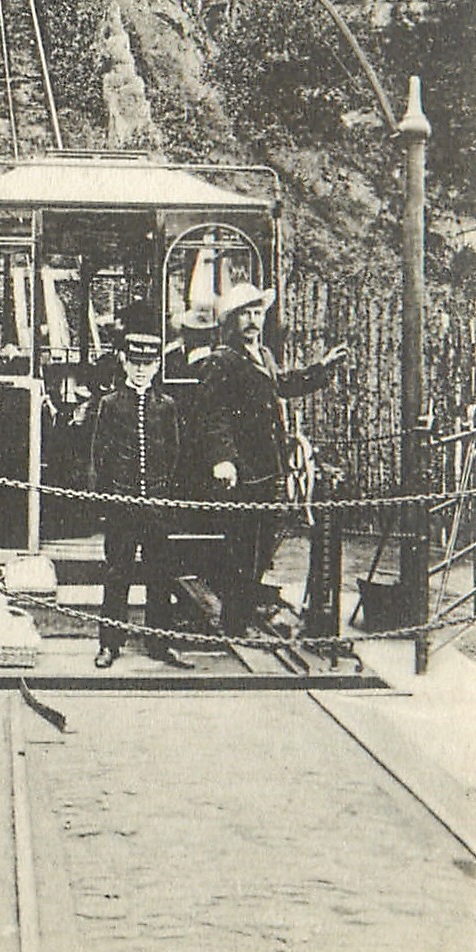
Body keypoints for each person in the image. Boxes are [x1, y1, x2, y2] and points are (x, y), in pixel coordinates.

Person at [193, 282, 349, 634]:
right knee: (241, 548)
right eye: (245, 314)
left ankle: (243, 615)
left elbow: (283, 384)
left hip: (267, 468)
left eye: (257, 312)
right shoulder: (221, 361)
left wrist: (321, 368)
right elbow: (211, 417)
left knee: (261, 547)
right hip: (239, 472)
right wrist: (223, 460)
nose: (252, 320)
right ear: (231, 320)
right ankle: (234, 624)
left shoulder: (262, 355)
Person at [90, 310, 192, 669]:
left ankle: (159, 643)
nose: (140, 370)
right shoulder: (110, 404)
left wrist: (166, 497)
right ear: (123, 361)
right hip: (122, 504)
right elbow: (99, 455)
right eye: (134, 362)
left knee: (160, 575)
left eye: (147, 364)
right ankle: (110, 644)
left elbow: (175, 454)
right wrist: (106, 499)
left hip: (157, 507)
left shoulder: (167, 407)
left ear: (157, 365)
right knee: (117, 574)